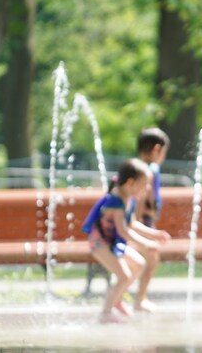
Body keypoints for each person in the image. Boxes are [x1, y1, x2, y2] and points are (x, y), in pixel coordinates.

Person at [82, 158, 170, 323]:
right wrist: (146, 243)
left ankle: (117, 301)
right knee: (124, 275)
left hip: (111, 242)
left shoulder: (128, 199)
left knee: (140, 263)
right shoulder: (115, 200)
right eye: (144, 184)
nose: (148, 188)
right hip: (100, 244)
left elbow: (133, 223)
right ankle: (105, 313)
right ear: (131, 182)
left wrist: (154, 234)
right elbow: (124, 230)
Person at [133, 128, 172, 312]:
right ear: (157, 150)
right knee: (150, 258)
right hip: (144, 219)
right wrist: (139, 219)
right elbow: (143, 195)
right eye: (164, 152)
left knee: (147, 258)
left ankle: (139, 297)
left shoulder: (140, 168)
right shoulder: (152, 170)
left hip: (145, 219)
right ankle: (140, 299)